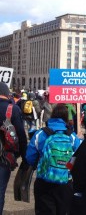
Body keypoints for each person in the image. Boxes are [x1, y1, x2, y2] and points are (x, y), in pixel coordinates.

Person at [26, 103, 81, 215]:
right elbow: (78, 158)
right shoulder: (73, 137)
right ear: (66, 118)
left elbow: (29, 158)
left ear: (52, 116)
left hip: (44, 181)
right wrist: (66, 168)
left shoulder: (40, 134)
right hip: (65, 182)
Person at [0, 82, 28, 214]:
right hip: (5, 157)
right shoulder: (12, 109)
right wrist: (25, 158)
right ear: (6, 93)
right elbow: (22, 136)